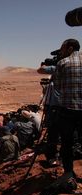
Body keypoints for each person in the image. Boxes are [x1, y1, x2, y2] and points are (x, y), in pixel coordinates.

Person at [54, 39, 82, 178]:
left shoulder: (62, 63)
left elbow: (57, 87)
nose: (61, 52)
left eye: (63, 48)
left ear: (70, 49)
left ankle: (68, 173)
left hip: (68, 109)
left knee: (66, 143)